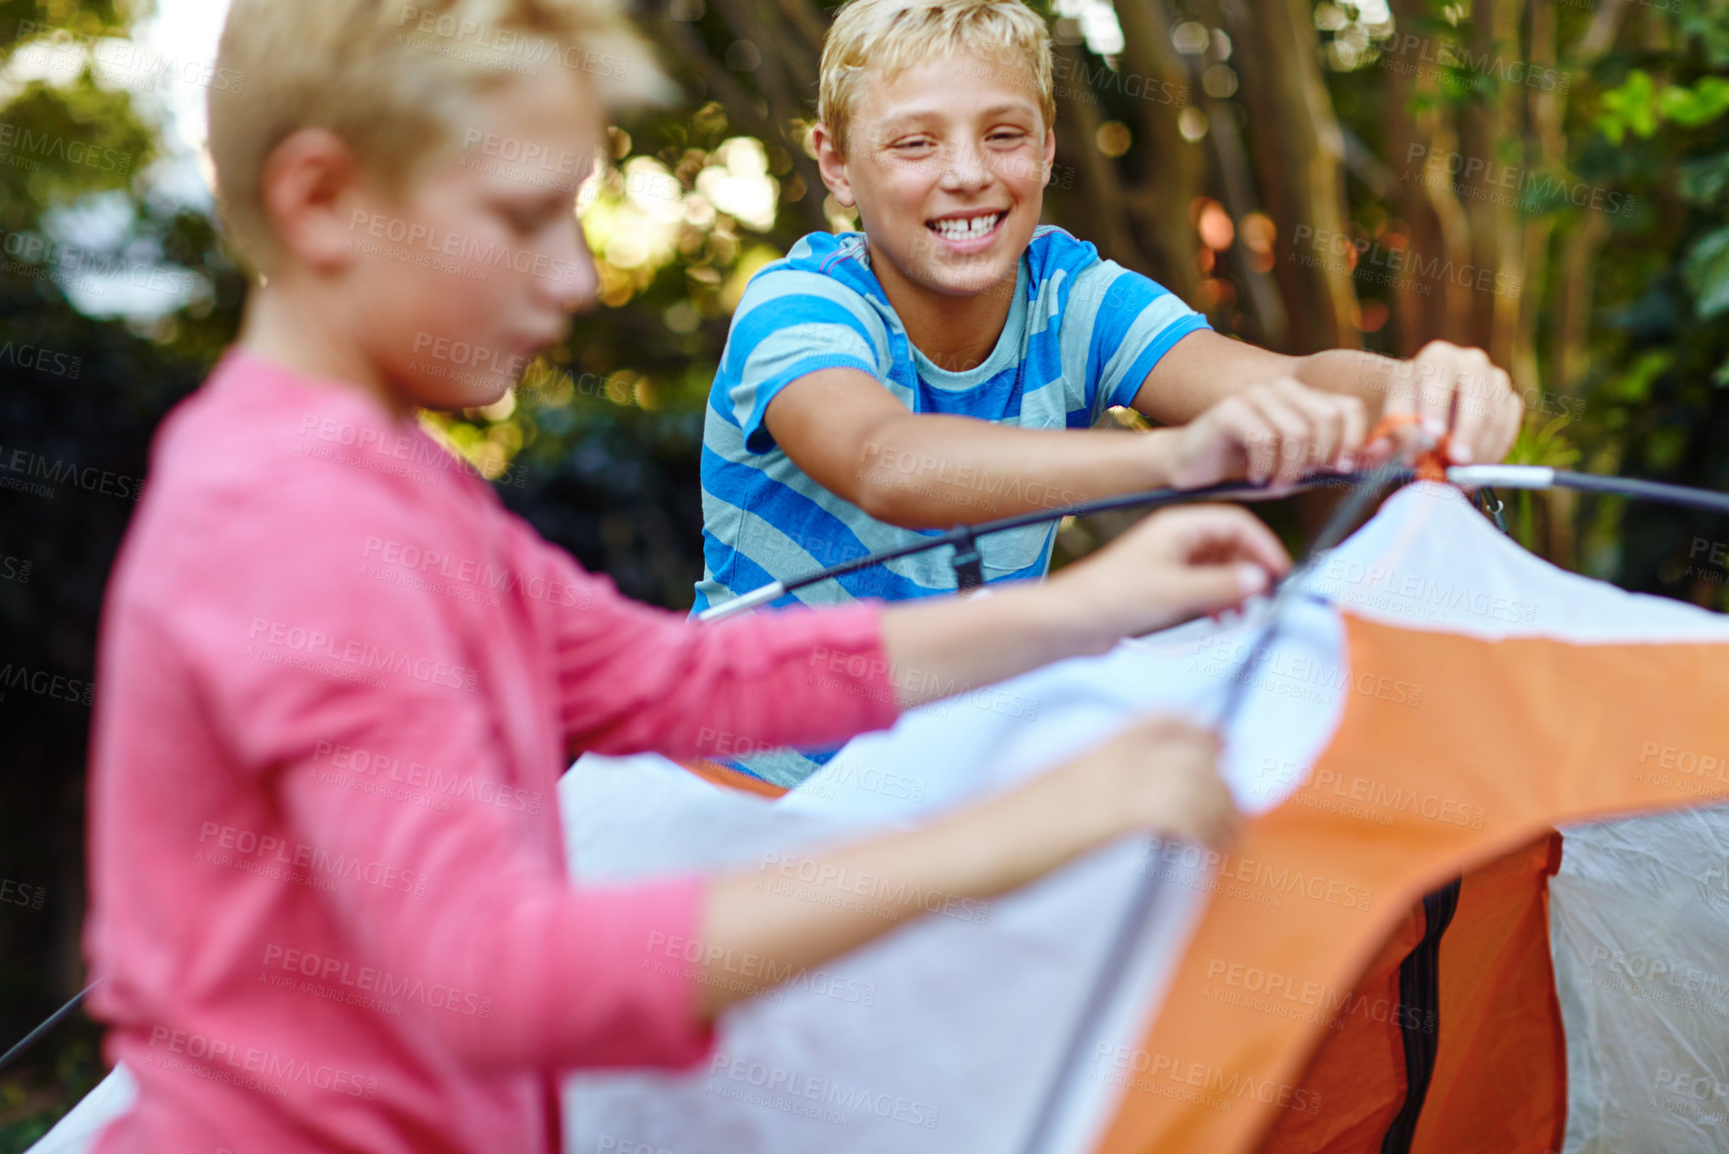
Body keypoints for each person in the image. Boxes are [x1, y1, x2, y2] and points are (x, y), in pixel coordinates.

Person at [80, 2, 1293, 1152]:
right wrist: (1011, 835)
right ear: (323, 200)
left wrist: (1086, 606)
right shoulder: (296, 524)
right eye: (520, 218)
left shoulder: (391, 484)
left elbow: (680, 673)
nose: (577, 279)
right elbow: (490, 976)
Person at [693, 0, 1526, 784]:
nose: (968, 174)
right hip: (741, 793)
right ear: (836, 164)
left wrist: (1416, 386)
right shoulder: (801, 305)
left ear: (1049, 149)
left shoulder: (1071, 296)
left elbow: (1283, 379)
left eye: (1005, 134)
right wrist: (1172, 458)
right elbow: (887, 463)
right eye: (914, 144)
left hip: (929, 801)